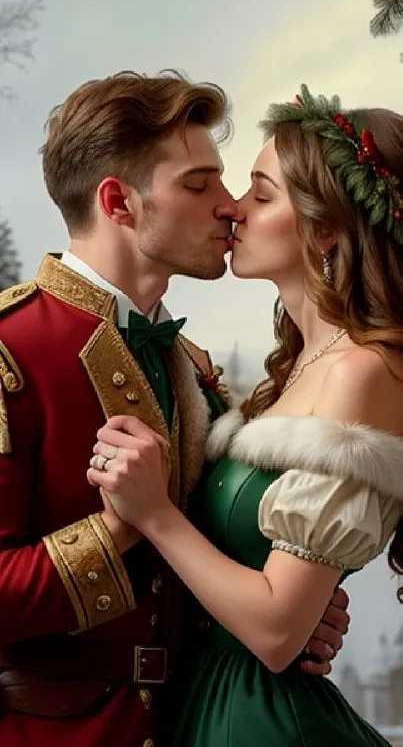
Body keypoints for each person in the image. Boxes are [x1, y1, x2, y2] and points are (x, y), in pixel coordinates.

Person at [0, 74, 347, 747]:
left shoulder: (192, 365)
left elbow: (196, 568)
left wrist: (290, 609)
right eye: (198, 184)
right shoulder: (9, 350)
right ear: (118, 201)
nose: (228, 206)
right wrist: (122, 527)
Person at [89, 84, 403, 746]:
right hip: (210, 708)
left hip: (262, 724)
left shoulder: (359, 372)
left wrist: (155, 514)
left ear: (323, 229)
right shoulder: (290, 374)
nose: (232, 208)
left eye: (260, 195)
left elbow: (274, 629)